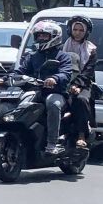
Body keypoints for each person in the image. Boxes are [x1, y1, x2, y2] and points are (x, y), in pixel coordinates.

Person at [14, 20, 74, 156]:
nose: (40, 38)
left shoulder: (63, 57)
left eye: (44, 36)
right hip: (35, 91)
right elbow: (20, 71)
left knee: (52, 103)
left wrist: (54, 79)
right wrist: (4, 79)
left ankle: (52, 144)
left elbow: (66, 73)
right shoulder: (32, 56)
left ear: (54, 37)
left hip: (56, 92)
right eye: (38, 36)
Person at [62, 15, 97, 150]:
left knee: (81, 100)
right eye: (75, 29)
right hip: (63, 82)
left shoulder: (91, 50)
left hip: (83, 85)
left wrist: (76, 85)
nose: (77, 32)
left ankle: (81, 135)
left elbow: (88, 72)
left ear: (86, 32)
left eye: (81, 30)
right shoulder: (61, 47)